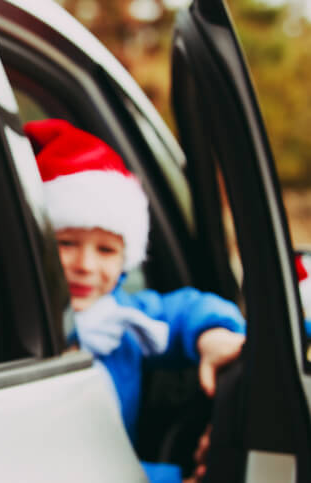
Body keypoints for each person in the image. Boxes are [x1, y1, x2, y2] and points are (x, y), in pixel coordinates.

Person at [23, 118, 246, 483]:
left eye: (107, 250)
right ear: (40, 246)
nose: (86, 266)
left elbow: (184, 309)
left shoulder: (123, 316)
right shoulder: (21, 325)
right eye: (66, 243)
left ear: (127, 258)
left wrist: (213, 334)